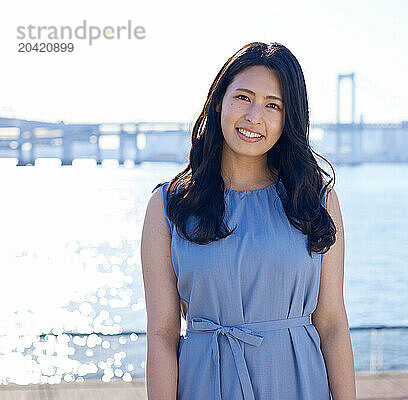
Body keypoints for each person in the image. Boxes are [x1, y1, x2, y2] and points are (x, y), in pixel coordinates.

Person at [140, 41, 356, 400]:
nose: (255, 116)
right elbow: (162, 334)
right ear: (219, 102)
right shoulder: (168, 206)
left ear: (289, 118)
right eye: (243, 97)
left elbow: (332, 324)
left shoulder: (316, 201)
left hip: (298, 384)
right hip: (205, 384)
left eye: (273, 105)